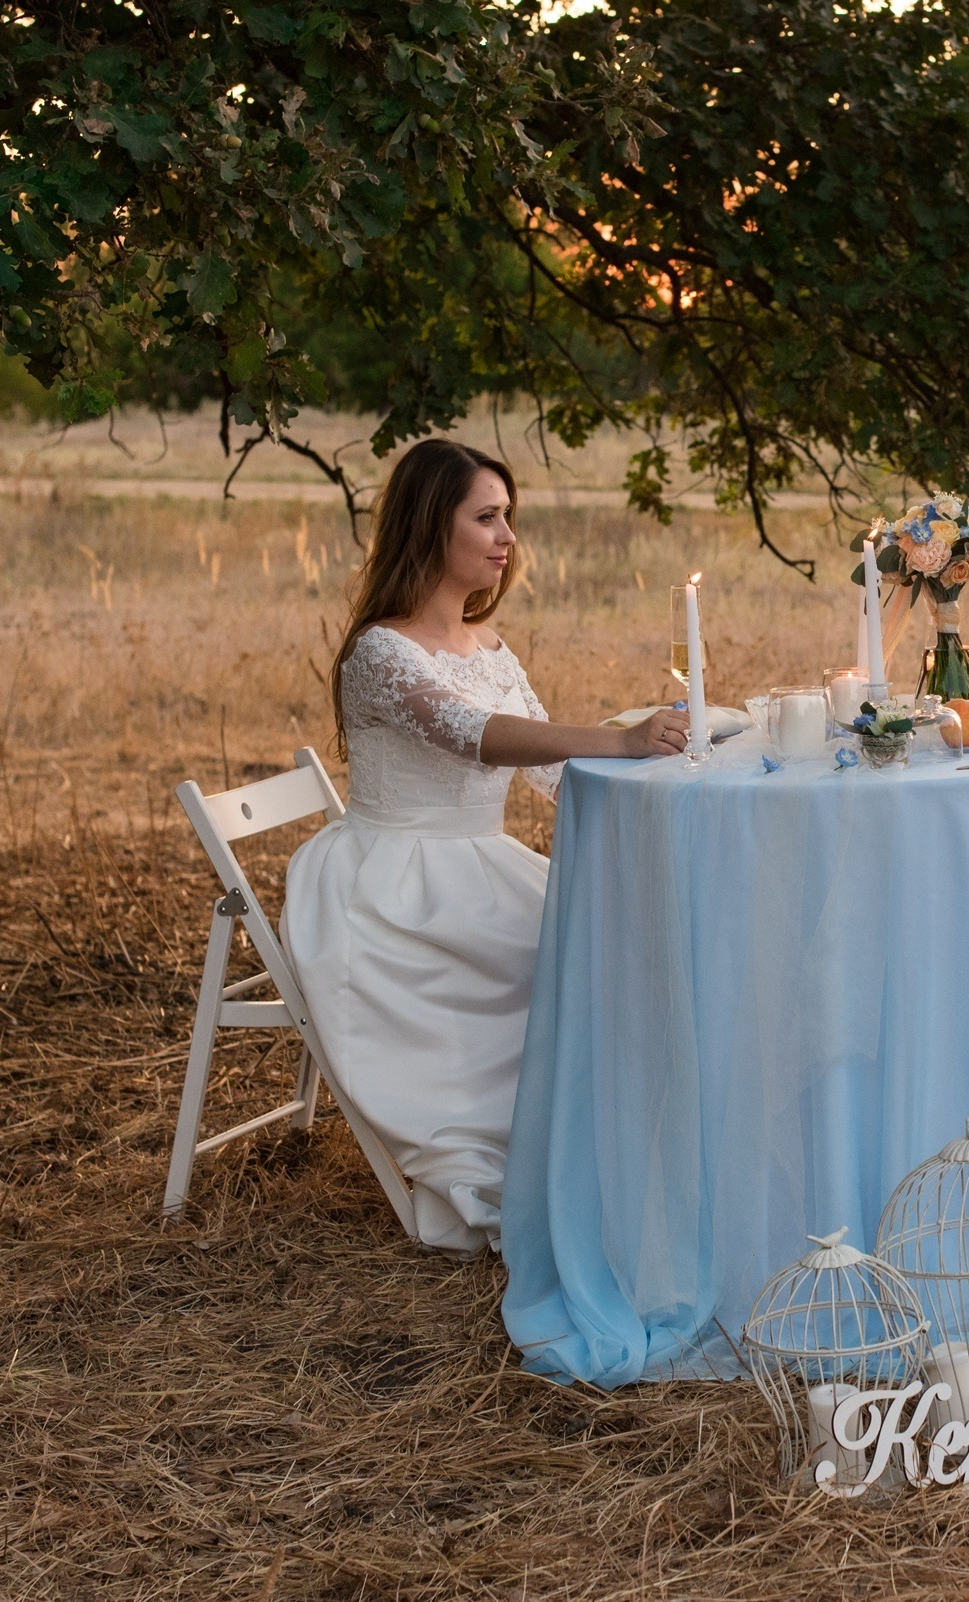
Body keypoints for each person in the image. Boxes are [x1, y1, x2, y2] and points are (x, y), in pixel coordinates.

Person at [282, 438, 686, 1254]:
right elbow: (477, 737)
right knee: (572, 949)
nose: (508, 538)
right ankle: (546, 1154)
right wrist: (625, 741)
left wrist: (676, 791)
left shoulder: (490, 647)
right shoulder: (380, 653)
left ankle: (612, 1145)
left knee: (607, 932)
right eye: (487, 517)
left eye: (510, 518)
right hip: (390, 883)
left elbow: (551, 775)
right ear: (433, 525)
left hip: (477, 861)